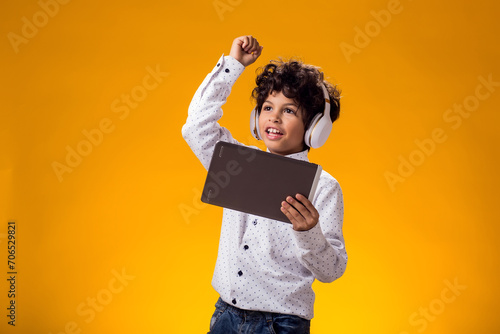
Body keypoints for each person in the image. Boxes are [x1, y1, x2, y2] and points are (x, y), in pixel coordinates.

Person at [182, 35, 347, 334]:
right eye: (268, 107)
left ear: (314, 129)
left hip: (282, 325)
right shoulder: (237, 164)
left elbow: (332, 271)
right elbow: (195, 127)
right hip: (225, 316)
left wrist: (309, 233)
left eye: (289, 111)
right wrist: (233, 65)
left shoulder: (324, 188)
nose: (274, 117)